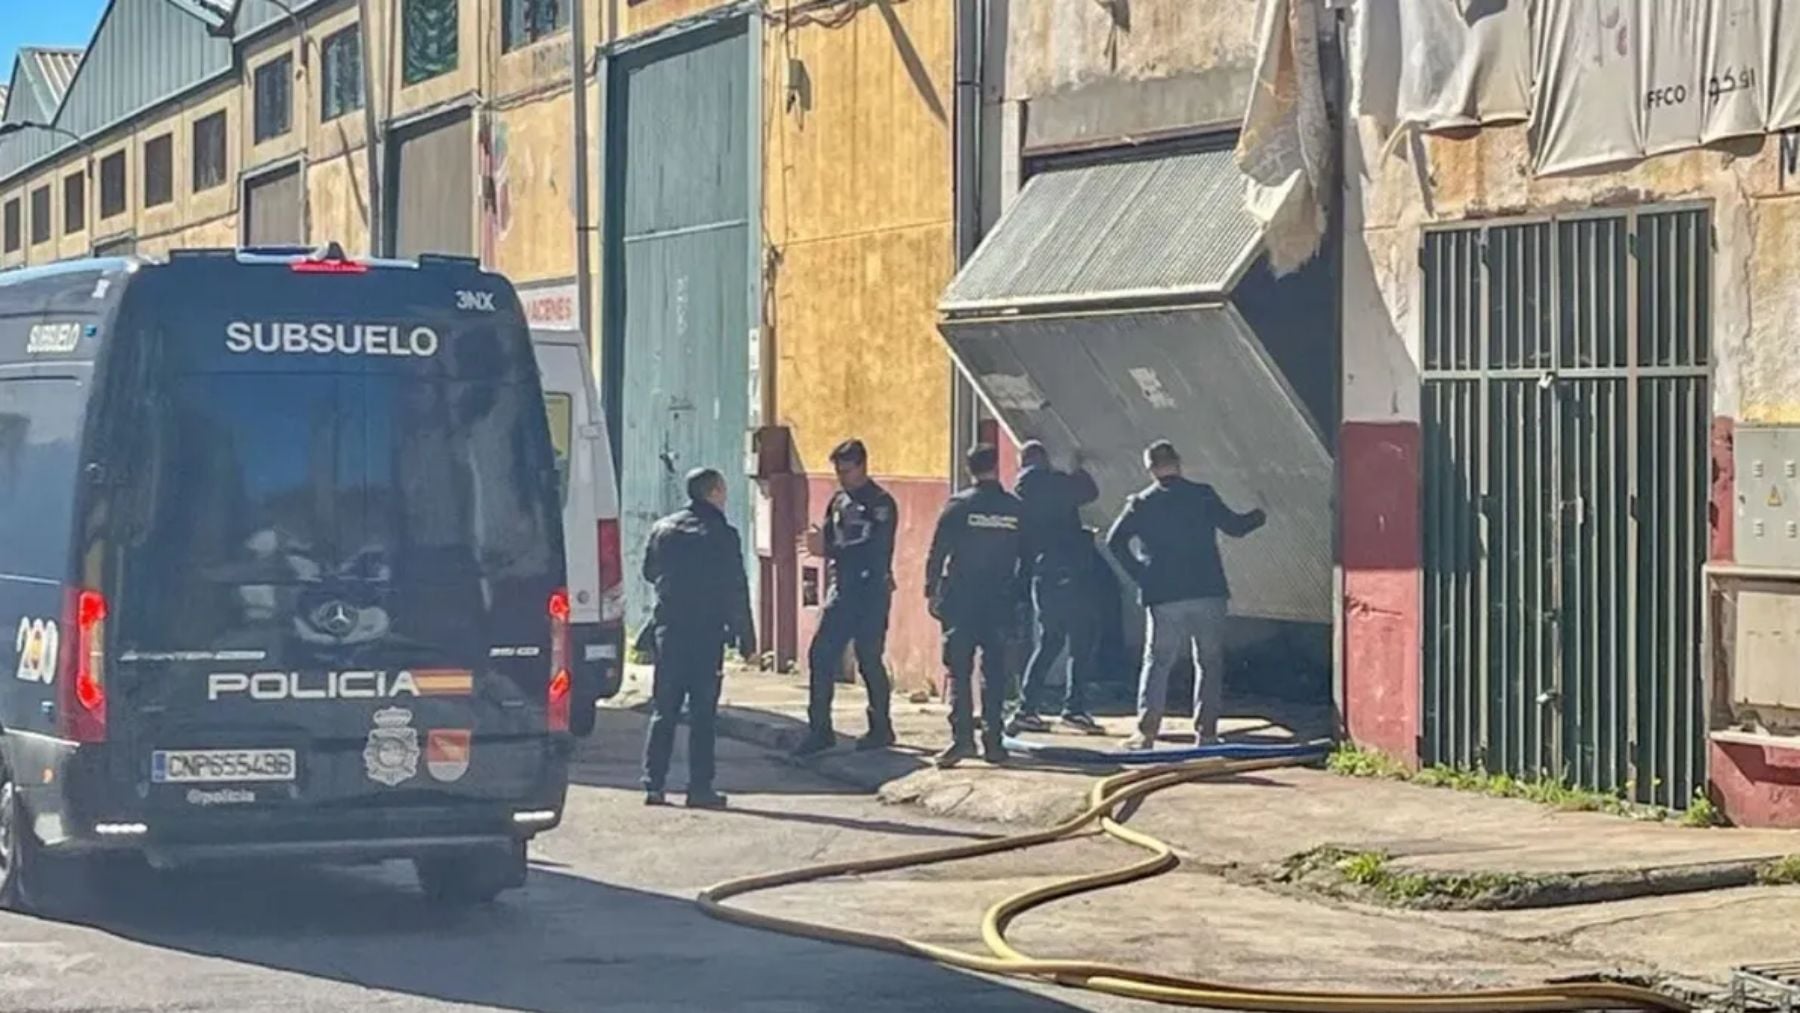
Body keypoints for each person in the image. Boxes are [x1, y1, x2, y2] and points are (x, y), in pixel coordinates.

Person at [1105, 440, 1266, 751]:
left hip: (1163, 596)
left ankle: (1146, 733)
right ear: (1179, 463)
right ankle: (1206, 734)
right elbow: (1235, 527)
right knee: (1209, 662)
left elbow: (1115, 542)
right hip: (1208, 591)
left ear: (1150, 469)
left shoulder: (1141, 503)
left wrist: (1142, 575)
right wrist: (1261, 513)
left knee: (1157, 661)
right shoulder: (1202, 495)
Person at [640, 468, 757, 808]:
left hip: (670, 629)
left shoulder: (664, 529)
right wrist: (745, 637)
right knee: (703, 714)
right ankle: (699, 788)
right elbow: (736, 587)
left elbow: (649, 572)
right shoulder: (723, 534)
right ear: (715, 492)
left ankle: (653, 784)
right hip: (706, 633)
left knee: (664, 710)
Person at [925, 444, 1029, 768]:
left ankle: (961, 741)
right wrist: (1020, 595)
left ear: (969, 469)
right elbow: (1028, 557)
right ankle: (994, 743)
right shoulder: (1015, 508)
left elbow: (938, 551)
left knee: (958, 670)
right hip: (1000, 601)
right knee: (995, 673)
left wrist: (931, 590)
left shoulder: (959, 506)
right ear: (996, 466)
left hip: (962, 600)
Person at [793, 439, 899, 756]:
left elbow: (875, 549)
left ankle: (880, 726)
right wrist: (818, 541)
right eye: (838, 471)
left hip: (870, 591)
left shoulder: (880, 503)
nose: (842, 476)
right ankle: (820, 730)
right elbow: (829, 537)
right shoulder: (839, 500)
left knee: (869, 658)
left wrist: (828, 548)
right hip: (841, 589)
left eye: (847, 470)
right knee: (821, 655)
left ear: (862, 466)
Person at [1008, 440, 1104, 736]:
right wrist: (1076, 467)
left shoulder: (1019, 494)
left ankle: (1027, 709)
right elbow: (1089, 491)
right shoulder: (1053, 482)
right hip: (1070, 573)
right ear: (1045, 459)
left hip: (1043, 575)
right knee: (1081, 640)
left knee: (1049, 642)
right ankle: (1074, 709)